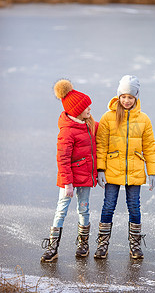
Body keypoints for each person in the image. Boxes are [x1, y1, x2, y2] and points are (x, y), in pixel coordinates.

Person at [94, 75, 155, 259]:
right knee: (108, 206)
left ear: (136, 97)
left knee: (134, 207)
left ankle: (135, 245)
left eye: (130, 97)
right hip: (113, 169)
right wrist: (100, 169)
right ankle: (102, 244)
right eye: (123, 96)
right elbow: (101, 145)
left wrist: (152, 172)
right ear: (118, 96)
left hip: (135, 169)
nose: (127, 100)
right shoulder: (108, 117)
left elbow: (149, 146)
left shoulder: (144, 119)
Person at [40, 79, 98, 262]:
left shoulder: (89, 124)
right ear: (76, 111)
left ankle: (83, 244)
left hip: (86, 178)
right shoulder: (67, 132)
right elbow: (63, 159)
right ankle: (52, 246)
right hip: (69, 181)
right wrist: (67, 183)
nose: (90, 109)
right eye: (86, 107)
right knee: (61, 211)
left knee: (84, 210)